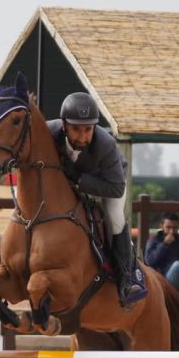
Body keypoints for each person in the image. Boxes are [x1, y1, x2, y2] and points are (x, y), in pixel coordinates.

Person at [46, 92, 146, 306]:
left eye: (88, 130)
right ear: (64, 125)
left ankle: (127, 280)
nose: (82, 137)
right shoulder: (49, 131)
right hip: (71, 182)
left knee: (115, 217)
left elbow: (117, 188)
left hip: (107, 183)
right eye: (76, 129)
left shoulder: (106, 144)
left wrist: (79, 179)